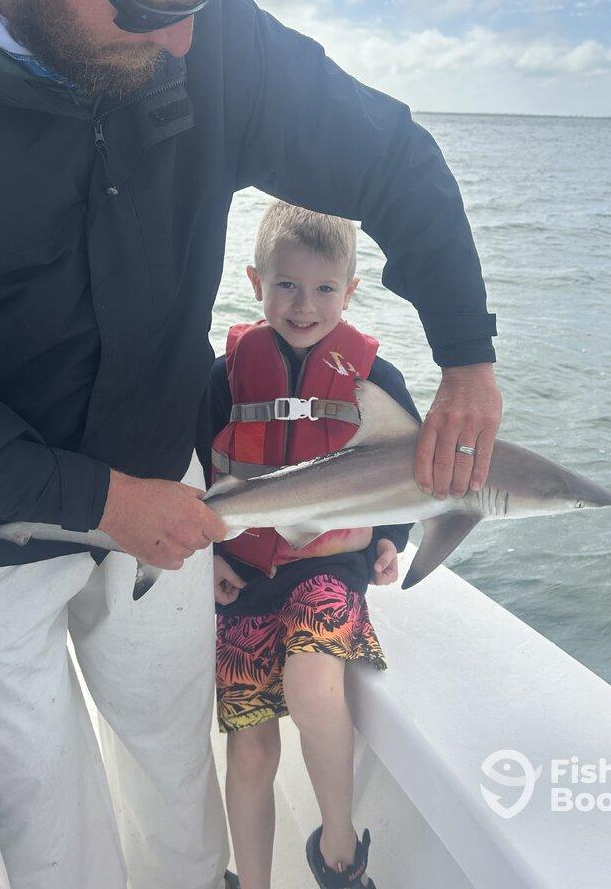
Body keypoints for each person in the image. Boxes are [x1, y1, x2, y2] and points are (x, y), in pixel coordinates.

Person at [0, 0, 501, 888]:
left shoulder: (204, 32)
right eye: (152, 8)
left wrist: (467, 357)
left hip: (170, 499)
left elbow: (392, 157)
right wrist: (99, 501)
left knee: (173, 768)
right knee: (48, 823)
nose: (188, 43)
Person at [200, 202, 419, 889]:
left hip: (330, 566)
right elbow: (191, 474)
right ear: (254, 280)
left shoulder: (375, 380)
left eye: (325, 288)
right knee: (250, 750)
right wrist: (209, 557)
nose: (303, 305)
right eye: (286, 286)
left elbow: (407, 472)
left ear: (351, 292)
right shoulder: (223, 378)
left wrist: (389, 539)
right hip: (244, 575)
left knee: (315, 687)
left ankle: (338, 849)